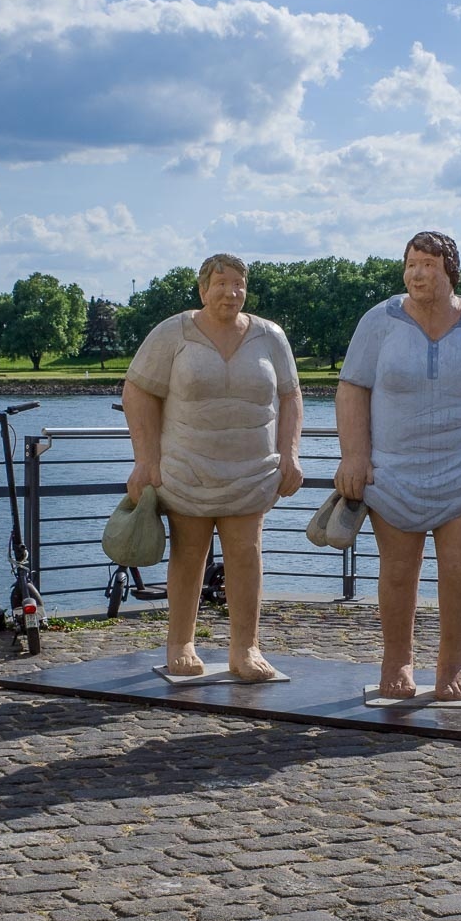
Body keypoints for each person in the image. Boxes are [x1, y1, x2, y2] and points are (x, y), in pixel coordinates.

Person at [335, 231, 461, 701]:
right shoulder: (379, 320)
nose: (417, 274)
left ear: (450, 272)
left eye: (428, 264)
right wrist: (354, 455)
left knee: (460, 571)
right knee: (397, 571)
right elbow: (352, 387)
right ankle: (396, 661)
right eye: (411, 264)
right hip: (393, 472)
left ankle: (453, 665)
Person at [122, 253, 303, 681]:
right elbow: (138, 391)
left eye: (238, 284)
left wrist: (290, 453)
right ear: (203, 290)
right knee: (188, 555)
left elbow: (291, 396)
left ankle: (246, 648)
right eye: (220, 284)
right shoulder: (174, 332)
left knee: (246, 555)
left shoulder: (270, 336)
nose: (230, 292)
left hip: (251, 471)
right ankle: (180, 643)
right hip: (188, 468)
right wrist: (145, 460)